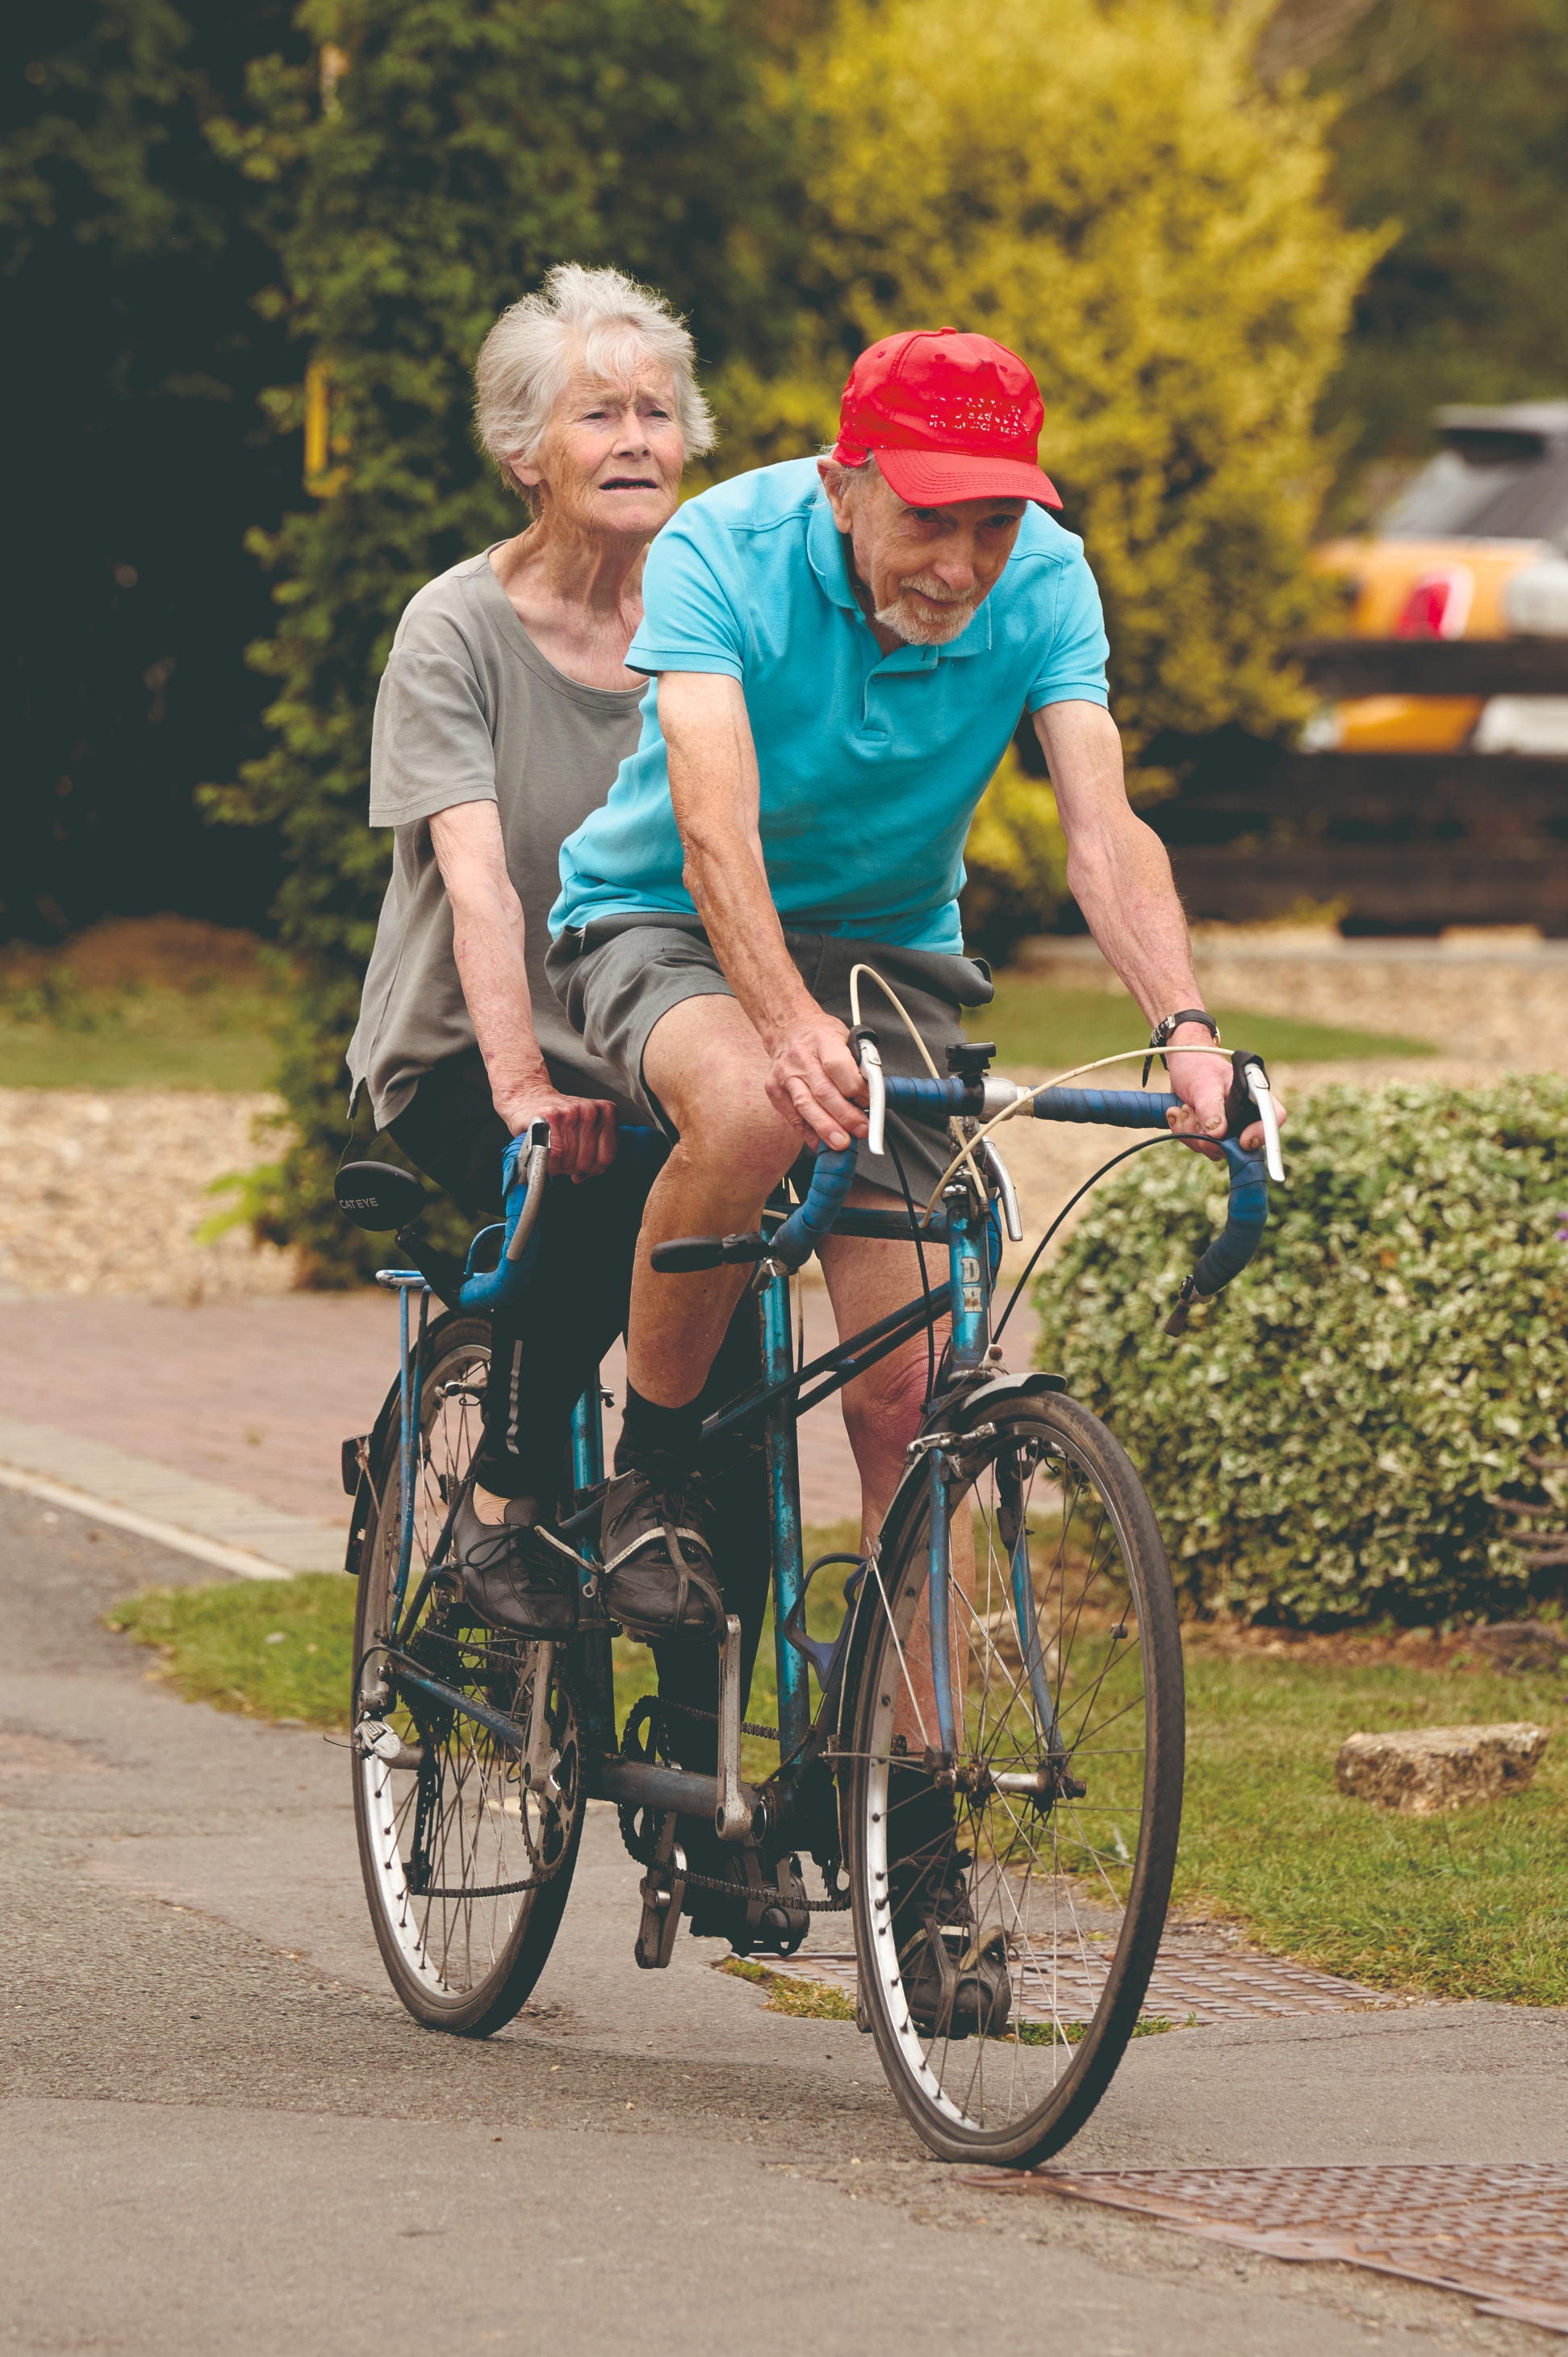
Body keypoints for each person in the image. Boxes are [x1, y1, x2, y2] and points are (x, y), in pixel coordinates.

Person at [345, 263, 767, 1676]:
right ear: (528, 452)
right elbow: (481, 880)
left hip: (659, 1035)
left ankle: (713, 1788)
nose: (639, 439)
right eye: (600, 414)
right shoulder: (454, 629)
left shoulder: (712, 627)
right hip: (472, 1045)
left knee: (733, 1358)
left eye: (659, 410)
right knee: (589, 1198)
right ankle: (502, 1512)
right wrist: (523, 1089)